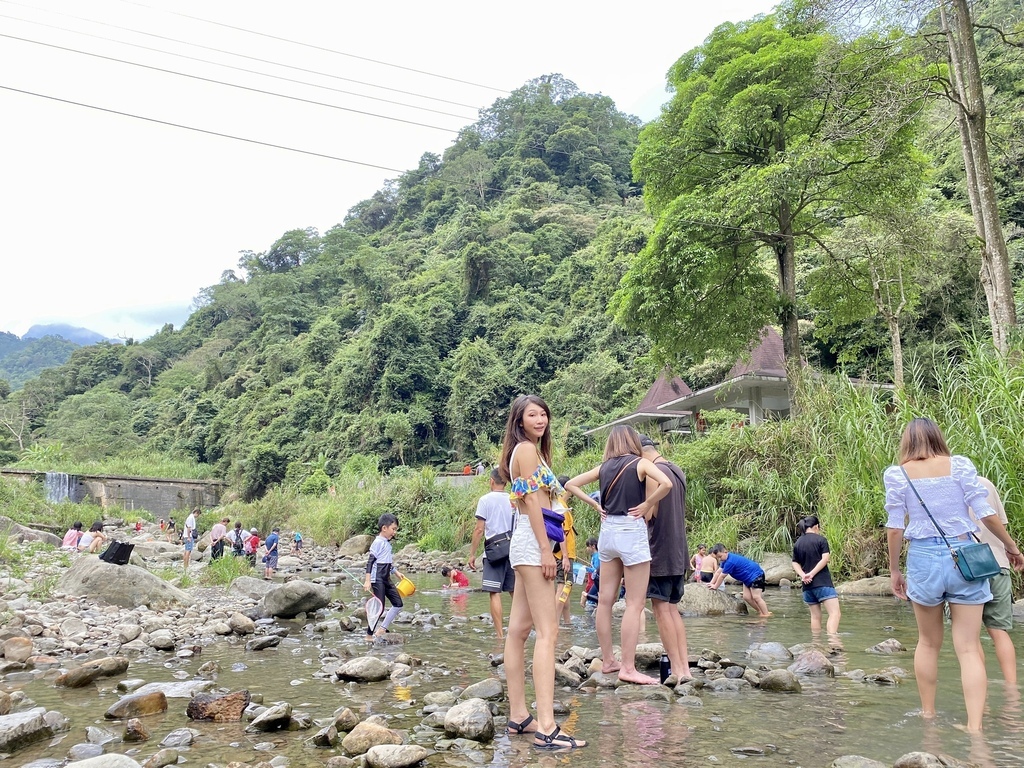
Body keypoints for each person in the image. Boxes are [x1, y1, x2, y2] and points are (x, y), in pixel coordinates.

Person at [885, 418, 1024, 732]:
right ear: (938, 437)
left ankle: (929, 717)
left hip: (922, 558)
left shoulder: (897, 474)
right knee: (969, 647)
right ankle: (974, 729)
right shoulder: (959, 466)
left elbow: (895, 527)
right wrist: (1011, 547)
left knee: (928, 644)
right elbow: (985, 513)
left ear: (906, 442)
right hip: (964, 557)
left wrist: (894, 570)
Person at [501, 394, 586, 749]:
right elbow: (533, 501)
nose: (540, 419)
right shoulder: (525, 450)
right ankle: (547, 726)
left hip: (526, 543)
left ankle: (520, 717)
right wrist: (544, 549)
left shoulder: (530, 451)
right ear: (519, 421)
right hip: (532, 544)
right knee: (548, 632)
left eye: (544, 414)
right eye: (532, 414)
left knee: (519, 630)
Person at [566, 425, 673, 686]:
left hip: (608, 531)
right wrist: (648, 504)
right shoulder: (640, 463)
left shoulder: (604, 468)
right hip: (631, 529)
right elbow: (667, 483)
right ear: (632, 441)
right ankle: (627, 667)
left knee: (605, 600)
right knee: (635, 603)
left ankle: (608, 660)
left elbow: (570, 484)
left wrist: (595, 503)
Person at [639, 434, 691, 683]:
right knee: (673, 609)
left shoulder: (652, 473)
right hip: (679, 549)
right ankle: (685, 669)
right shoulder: (675, 469)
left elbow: (649, 514)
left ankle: (678, 671)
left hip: (660, 550)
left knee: (660, 610)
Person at [969, 477, 1017, 685]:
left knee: (970, 637)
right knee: (999, 632)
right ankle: (1012, 690)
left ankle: (981, 690)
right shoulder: (985, 483)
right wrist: (1013, 549)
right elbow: (1000, 523)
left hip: (966, 567)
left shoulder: (943, 484)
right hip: (996, 562)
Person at [469, 468, 516, 639]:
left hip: (494, 551)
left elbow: (479, 529)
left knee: (494, 592)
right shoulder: (513, 498)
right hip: (513, 548)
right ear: (505, 482)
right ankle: (523, 629)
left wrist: (472, 554)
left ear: (491, 481)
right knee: (514, 591)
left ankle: (500, 635)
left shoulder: (485, 500)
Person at [791, 515, 841, 636]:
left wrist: (804, 575)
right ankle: (833, 641)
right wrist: (812, 574)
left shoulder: (798, 543)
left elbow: (794, 562)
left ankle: (816, 643)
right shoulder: (821, 540)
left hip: (807, 586)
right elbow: (825, 559)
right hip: (822, 583)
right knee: (835, 613)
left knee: (815, 617)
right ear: (816, 527)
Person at [363, 513, 406, 637]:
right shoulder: (378, 542)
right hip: (377, 579)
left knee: (398, 604)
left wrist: (396, 572)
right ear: (384, 528)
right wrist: (367, 580)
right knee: (379, 608)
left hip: (386, 578)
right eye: (393, 529)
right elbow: (371, 561)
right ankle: (369, 635)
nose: (395, 532)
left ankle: (382, 629)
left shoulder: (387, 543)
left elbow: (386, 561)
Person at [707, 544, 772, 617]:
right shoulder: (724, 560)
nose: (719, 559)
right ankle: (760, 611)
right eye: (717, 558)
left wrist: (715, 586)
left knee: (756, 597)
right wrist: (711, 583)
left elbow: (722, 576)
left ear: (725, 552)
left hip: (756, 575)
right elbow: (718, 572)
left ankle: (766, 615)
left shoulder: (730, 562)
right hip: (746, 578)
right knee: (747, 597)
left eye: (720, 557)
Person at [579, 537, 599, 611]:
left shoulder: (597, 556)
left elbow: (596, 570)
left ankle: (585, 595)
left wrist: (586, 568)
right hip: (595, 581)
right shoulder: (594, 556)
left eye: (588, 546)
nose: (587, 548)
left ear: (593, 546)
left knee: (591, 603)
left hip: (597, 581)